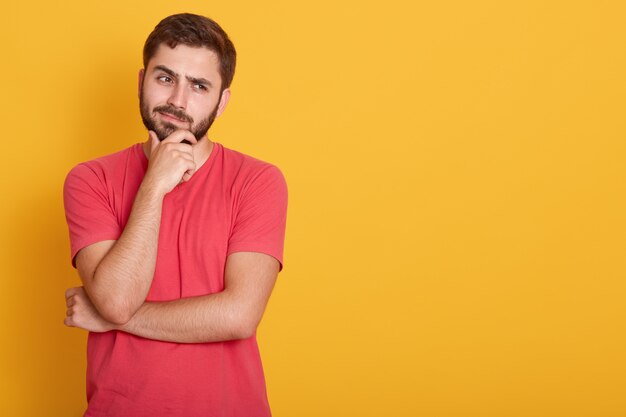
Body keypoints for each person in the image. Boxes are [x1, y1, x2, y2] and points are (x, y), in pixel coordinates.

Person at [63, 13, 287, 417]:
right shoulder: (90, 179)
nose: (178, 101)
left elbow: (239, 316)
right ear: (140, 81)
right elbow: (116, 300)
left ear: (222, 101)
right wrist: (154, 185)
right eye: (165, 78)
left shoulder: (258, 181)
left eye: (199, 86)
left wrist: (113, 318)